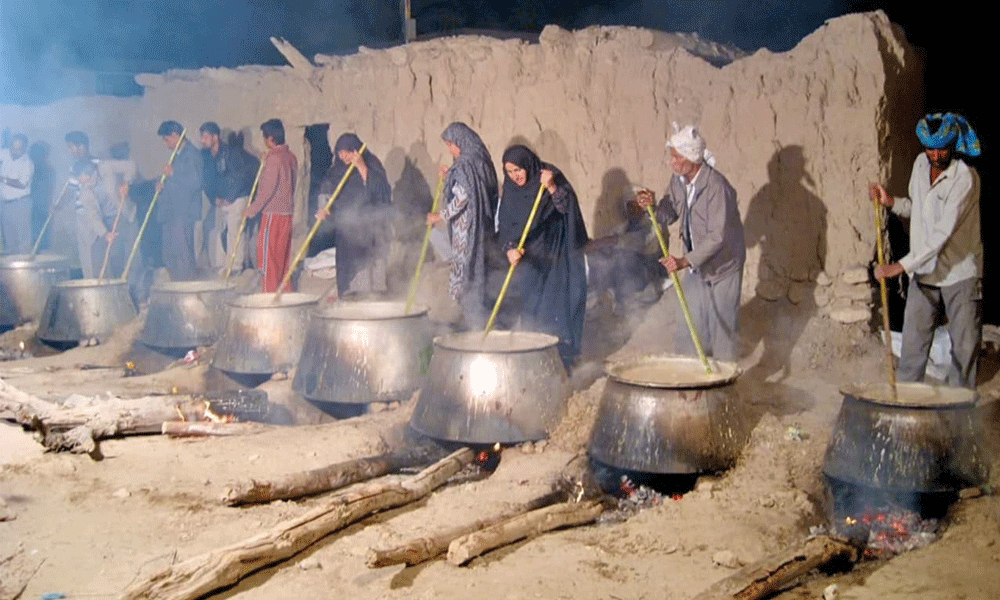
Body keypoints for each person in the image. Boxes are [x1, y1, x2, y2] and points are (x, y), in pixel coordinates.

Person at [871, 112, 982, 389]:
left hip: (959, 273)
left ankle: (961, 416)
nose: (935, 154)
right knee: (912, 349)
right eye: (929, 148)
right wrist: (891, 202)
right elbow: (917, 209)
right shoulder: (921, 165)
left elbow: (940, 236)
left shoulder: (964, 179)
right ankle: (909, 408)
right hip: (924, 273)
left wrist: (900, 266)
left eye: (941, 148)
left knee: (964, 351)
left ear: (953, 144)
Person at [636, 124, 745, 361]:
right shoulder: (679, 181)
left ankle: (722, 388)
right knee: (690, 327)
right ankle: (689, 382)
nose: (672, 162)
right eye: (672, 156)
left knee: (722, 330)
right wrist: (652, 207)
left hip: (723, 266)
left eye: (677, 157)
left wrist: (684, 260)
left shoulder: (716, 187)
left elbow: (718, 237)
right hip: (697, 266)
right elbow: (669, 213)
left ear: (692, 158)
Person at [495, 144, 589, 367]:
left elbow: (568, 209)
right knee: (530, 306)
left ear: (528, 165)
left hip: (555, 255)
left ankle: (562, 360)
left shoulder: (547, 176)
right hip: (528, 258)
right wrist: (509, 249)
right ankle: (534, 357)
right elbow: (506, 225)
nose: (515, 176)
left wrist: (552, 188)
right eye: (509, 172)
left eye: (518, 170)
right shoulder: (510, 189)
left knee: (555, 305)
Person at [426, 122, 498, 328]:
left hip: (467, 229)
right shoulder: (479, 158)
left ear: (461, 142)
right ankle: (477, 320)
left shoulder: (465, 164)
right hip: (481, 226)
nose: (450, 150)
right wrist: (450, 176)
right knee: (477, 270)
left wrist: (440, 216)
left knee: (468, 272)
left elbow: (463, 196)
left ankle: (475, 323)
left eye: (451, 145)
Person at [313, 133, 392, 297]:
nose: (343, 156)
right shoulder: (336, 171)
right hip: (347, 230)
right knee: (350, 269)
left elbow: (381, 192)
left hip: (370, 228)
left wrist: (362, 168)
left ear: (356, 151)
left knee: (370, 266)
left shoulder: (372, 165)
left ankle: (373, 300)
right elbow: (326, 192)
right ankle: (350, 298)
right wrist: (324, 208)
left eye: (347, 152)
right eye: (340, 153)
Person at [200, 123, 260, 274]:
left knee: (235, 231)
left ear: (216, 137)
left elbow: (240, 177)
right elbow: (206, 180)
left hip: (237, 197)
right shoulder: (206, 156)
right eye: (202, 136)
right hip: (221, 200)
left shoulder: (232, 153)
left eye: (205, 136)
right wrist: (214, 199)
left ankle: (236, 266)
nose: (202, 140)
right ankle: (225, 264)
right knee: (221, 232)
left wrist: (230, 197)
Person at [246, 118, 297, 293]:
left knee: (268, 259)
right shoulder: (291, 157)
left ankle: (269, 296)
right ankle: (284, 295)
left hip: (272, 215)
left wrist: (253, 209)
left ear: (270, 139)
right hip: (287, 214)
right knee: (282, 260)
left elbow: (267, 189)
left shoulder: (274, 159)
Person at [71, 159, 138, 282]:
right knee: (100, 255)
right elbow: (93, 217)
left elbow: (130, 165)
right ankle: (108, 287)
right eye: (82, 182)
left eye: (86, 180)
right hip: (105, 219)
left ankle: (138, 293)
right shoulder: (84, 193)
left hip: (123, 213)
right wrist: (105, 234)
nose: (85, 185)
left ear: (91, 173)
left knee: (129, 256)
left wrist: (127, 182)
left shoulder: (106, 167)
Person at [155, 121, 203, 281]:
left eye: (166, 139)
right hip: (171, 212)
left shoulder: (192, 154)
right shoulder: (177, 154)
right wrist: (162, 186)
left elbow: (195, 182)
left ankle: (187, 291)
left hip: (183, 213)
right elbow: (174, 183)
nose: (165, 143)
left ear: (176, 135)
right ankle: (176, 289)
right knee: (170, 255)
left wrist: (173, 174)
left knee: (183, 256)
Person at [0, 133, 35, 253]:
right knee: (9, 241)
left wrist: (3, 179)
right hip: (5, 205)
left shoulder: (27, 163)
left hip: (21, 204)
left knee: (23, 241)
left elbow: (22, 184)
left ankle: (24, 269)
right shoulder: (5, 154)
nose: (15, 152)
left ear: (25, 148)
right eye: (13, 148)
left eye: (18, 149)